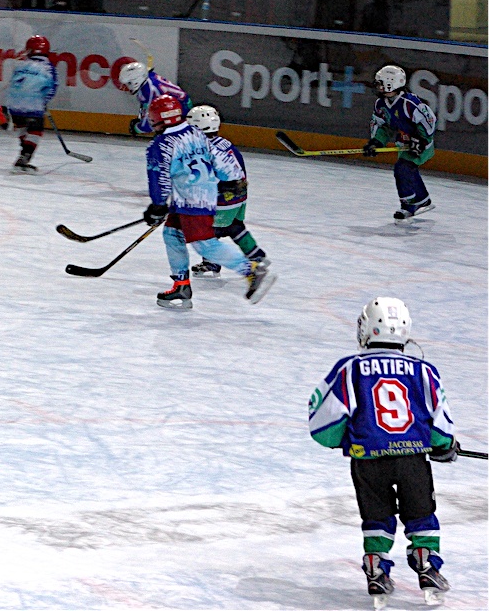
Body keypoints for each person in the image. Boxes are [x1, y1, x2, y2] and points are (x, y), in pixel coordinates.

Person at [309, 296, 457, 606]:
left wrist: (344, 440)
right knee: (421, 514)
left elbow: (324, 422)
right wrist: (444, 446)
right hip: (411, 460)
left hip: (368, 461)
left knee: (376, 517)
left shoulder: (349, 368)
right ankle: (427, 565)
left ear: (366, 328)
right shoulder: (423, 370)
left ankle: (376, 570)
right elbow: (440, 420)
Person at [142, 95, 276, 310]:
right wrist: (232, 179)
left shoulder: (161, 144)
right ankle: (181, 286)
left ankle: (251, 271)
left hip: (193, 201)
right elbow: (218, 156)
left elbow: (159, 178)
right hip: (194, 198)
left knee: (205, 244)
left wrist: (157, 205)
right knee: (172, 234)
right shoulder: (195, 132)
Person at [186, 105, 267, 276]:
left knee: (207, 233)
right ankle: (257, 256)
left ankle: (213, 263)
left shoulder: (204, 149)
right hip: (240, 196)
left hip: (223, 199)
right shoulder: (225, 143)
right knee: (235, 227)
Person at [362, 65, 436, 222]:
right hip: (404, 143)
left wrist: (421, 140)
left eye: (381, 83)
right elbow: (384, 126)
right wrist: (376, 141)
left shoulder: (409, 103)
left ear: (391, 84)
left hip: (421, 145)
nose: (378, 86)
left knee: (402, 168)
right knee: (408, 169)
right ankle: (423, 199)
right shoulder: (381, 104)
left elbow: (429, 120)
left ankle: (408, 205)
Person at [5, 35, 58, 173]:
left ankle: (24, 153)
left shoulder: (21, 65)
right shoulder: (48, 67)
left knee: (22, 128)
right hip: (33, 105)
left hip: (14, 105)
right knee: (35, 131)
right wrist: (44, 101)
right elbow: (52, 88)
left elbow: (14, 84)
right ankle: (23, 159)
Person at [118, 60, 193, 137]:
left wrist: (136, 128)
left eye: (128, 83)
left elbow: (149, 125)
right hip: (179, 104)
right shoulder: (147, 78)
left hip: (181, 109)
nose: (126, 87)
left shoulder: (149, 91)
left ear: (135, 81)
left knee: (165, 135)